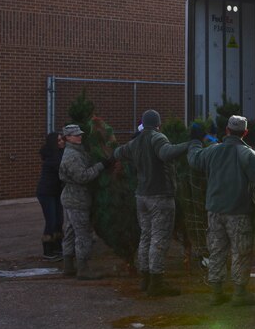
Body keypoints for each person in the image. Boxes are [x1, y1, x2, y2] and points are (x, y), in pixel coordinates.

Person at [188, 115, 255, 307]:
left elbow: (194, 160)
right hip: (238, 212)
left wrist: (194, 140)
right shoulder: (247, 154)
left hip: (214, 211)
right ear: (245, 133)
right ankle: (240, 293)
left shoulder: (212, 151)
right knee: (241, 252)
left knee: (217, 251)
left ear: (226, 130)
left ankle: (216, 293)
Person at [113, 109, 189, 297]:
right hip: (160, 196)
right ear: (158, 124)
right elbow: (166, 153)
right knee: (159, 239)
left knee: (146, 236)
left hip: (142, 196)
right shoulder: (158, 137)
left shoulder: (136, 141)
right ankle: (157, 282)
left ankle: (145, 279)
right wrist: (189, 144)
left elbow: (118, 152)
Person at [58, 124, 114, 280]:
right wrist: (101, 165)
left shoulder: (76, 152)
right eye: (76, 135)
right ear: (67, 137)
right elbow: (83, 177)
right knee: (83, 234)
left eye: (80, 134)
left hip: (72, 198)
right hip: (77, 199)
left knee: (69, 231)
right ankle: (83, 269)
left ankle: (68, 267)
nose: (79, 136)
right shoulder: (72, 156)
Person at [36, 132, 65, 261]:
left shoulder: (60, 154)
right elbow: (64, 171)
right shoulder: (53, 159)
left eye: (62, 140)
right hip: (47, 193)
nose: (62, 142)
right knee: (51, 221)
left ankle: (58, 247)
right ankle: (48, 250)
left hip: (56, 192)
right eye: (59, 141)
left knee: (59, 220)